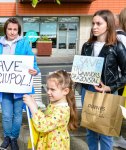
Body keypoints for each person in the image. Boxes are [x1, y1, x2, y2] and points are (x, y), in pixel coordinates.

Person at [80, 10, 126, 150]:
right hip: (87, 91)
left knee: (106, 132)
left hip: (108, 93)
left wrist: (109, 87)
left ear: (109, 25)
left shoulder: (117, 46)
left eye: (99, 23)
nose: (94, 26)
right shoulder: (87, 46)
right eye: (93, 23)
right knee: (90, 131)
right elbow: (82, 70)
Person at [0, 17, 40, 150]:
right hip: (4, 87)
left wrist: (34, 70)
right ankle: (7, 136)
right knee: (7, 115)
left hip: (20, 87)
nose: (12, 32)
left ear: (18, 31)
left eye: (15, 29)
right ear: (5, 30)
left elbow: (33, 62)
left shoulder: (24, 44)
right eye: (10, 29)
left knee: (18, 114)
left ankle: (14, 138)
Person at [23, 70, 78, 150]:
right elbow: (46, 118)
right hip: (47, 143)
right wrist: (35, 106)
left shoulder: (62, 111)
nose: (48, 92)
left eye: (52, 89)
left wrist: (32, 107)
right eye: (48, 88)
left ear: (65, 91)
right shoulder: (53, 104)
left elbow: (43, 125)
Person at [113, 8, 126, 149]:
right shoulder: (121, 36)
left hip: (118, 79)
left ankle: (115, 136)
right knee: (118, 109)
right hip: (120, 80)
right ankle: (115, 137)